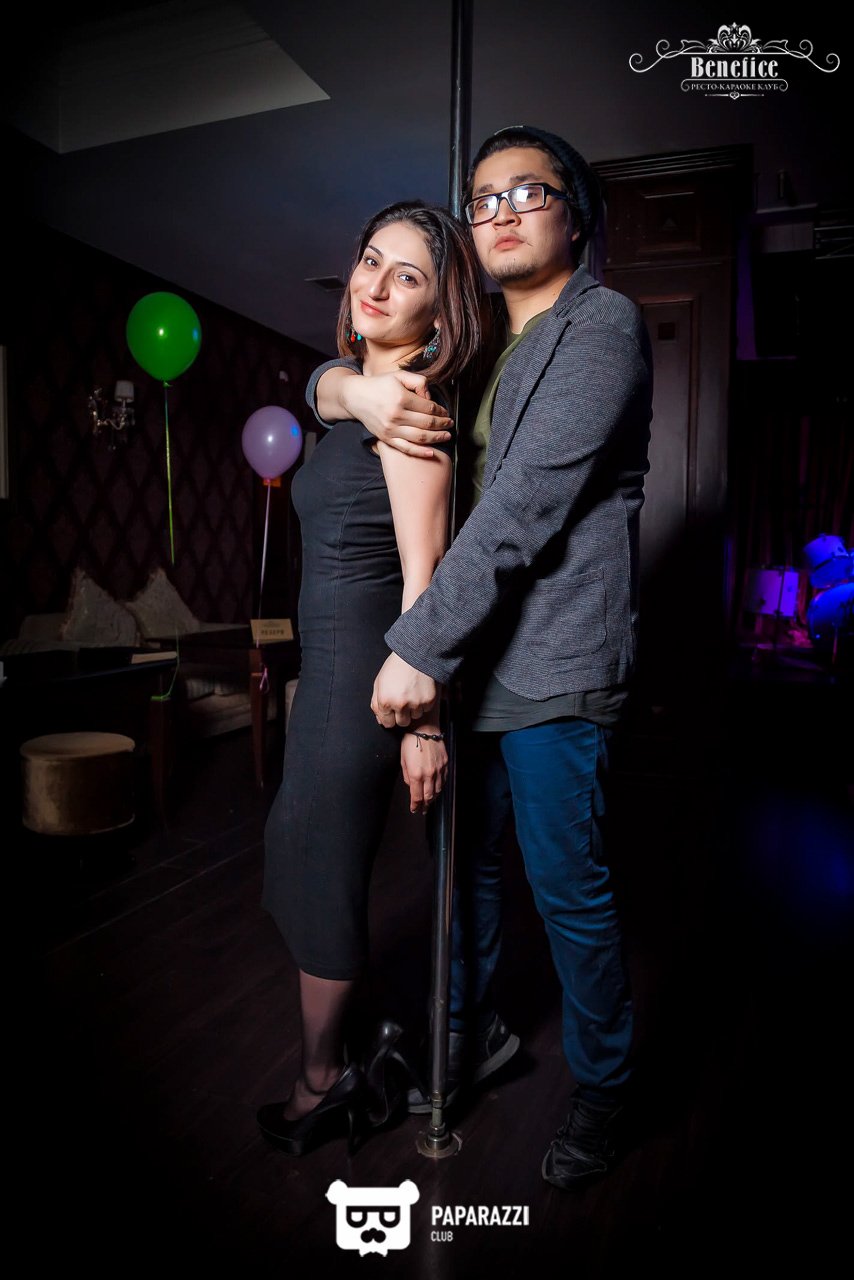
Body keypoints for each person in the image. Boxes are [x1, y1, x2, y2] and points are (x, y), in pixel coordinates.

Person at [312, 126, 653, 1189]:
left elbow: (522, 506)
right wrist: (344, 389)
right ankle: (467, 1037)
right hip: (475, 664)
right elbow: (343, 373)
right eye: (483, 197)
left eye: (526, 192)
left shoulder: (600, 325)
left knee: (567, 890)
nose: (499, 212)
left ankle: (606, 1088)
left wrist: (413, 649)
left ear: (575, 215)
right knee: (465, 876)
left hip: (554, 666)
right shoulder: (471, 350)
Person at [258, 200, 485, 1156]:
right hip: (331, 671)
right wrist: (345, 389)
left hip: (364, 680)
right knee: (300, 859)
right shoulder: (361, 393)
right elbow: (330, 389)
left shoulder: (413, 414)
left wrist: (425, 724)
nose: (376, 285)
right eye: (369, 260)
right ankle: (336, 1067)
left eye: (408, 276)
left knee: (318, 872)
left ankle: (323, 1085)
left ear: (440, 310)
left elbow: (425, 577)